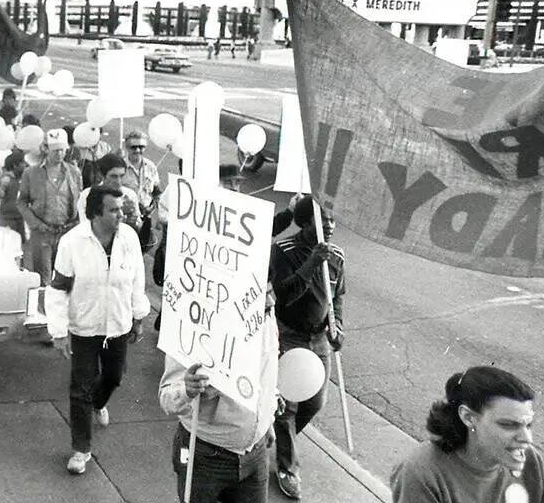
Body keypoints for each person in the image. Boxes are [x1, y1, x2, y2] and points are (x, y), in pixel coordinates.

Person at [46, 187, 150, 475]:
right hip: (84, 327)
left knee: (114, 377)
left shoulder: (128, 237)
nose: (121, 214)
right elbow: (57, 289)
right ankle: (81, 449)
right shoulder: (72, 243)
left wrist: (138, 314)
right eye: (114, 210)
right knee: (80, 388)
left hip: (117, 325)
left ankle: (98, 403)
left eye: (121, 209)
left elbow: (137, 277)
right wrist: (58, 330)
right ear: (95, 213)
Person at [269, 196, 345, 500]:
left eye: (332, 219)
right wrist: (312, 262)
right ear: (304, 221)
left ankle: (277, 437)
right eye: (322, 219)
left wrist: (337, 324)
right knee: (287, 405)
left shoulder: (338, 255)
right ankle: (287, 466)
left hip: (318, 339)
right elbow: (284, 295)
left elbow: (338, 296)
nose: (329, 225)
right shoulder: (284, 251)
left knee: (314, 403)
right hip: (288, 335)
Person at [158, 311, 280, 503]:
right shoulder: (196, 323)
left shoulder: (266, 318)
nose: (271, 302)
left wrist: (268, 420)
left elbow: (267, 374)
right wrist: (187, 390)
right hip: (206, 457)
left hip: (255, 452)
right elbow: (166, 398)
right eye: (263, 294)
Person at [391, 367, 544, 503]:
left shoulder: (531, 460)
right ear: (468, 417)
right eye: (508, 425)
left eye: (528, 425)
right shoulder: (422, 472)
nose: (526, 439)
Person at [18, 129, 84, 287]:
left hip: (66, 233)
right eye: (55, 150)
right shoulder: (31, 173)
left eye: (62, 150)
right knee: (44, 278)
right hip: (42, 234)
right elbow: (22, 202)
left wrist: (77, 224)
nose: (59, 154)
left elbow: (80, 201)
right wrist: (36, 224)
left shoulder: (74, 172)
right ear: (46, 149)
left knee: (65, 276)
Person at [76, 153, 142, 231]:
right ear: (101, 175)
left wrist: (132, 219)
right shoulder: (87, 195)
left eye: (122, 176)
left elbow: (138, 226)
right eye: (113, 176)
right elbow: (86, 226)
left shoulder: (130, 195)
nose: (118, 182)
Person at [122, 129, 164, 252]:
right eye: (133, 147)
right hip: (126, 218)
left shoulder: (151, 167)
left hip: (145, 217)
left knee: (142, 248)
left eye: (141, 147)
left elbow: (156, 191)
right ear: (127, 147)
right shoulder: (121, 167)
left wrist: (154, 206)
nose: (137, 150)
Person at [0, 150, 27, 241]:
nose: (25, 165)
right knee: (11, 240)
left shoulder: (21, 178)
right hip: (9, 217)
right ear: (15, 165)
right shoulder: (7, 179)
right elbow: (0, 193)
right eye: (22, 163)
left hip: (19, 216)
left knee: (20, 240)